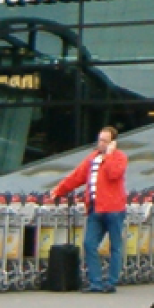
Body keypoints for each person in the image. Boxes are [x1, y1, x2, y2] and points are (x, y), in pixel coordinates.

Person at [49, 124, 128, 293]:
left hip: (114, 209)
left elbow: (113, 174)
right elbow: (77, 176)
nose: (101, 143)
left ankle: (111, 282)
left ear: (113, 143)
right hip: (95, 208)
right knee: (89, 244)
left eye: (105, 141)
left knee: (115, 246)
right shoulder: (92, 158)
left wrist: (109, 155)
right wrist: (59, 190)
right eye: (100, 140)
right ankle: (96, 282)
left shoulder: (119, 158)